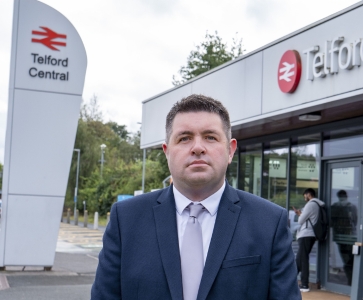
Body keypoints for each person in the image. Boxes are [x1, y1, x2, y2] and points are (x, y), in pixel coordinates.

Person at [91, 94, 301, 300]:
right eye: (184, 138)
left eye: (210, 137)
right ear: (167, 152)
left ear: (230, 150)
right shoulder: (126, 220)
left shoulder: (269, 223)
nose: (198, 148)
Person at [293, 188, 325, 292]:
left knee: (303, 259)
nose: (304, 197)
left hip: (306, 234)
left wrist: (300, 215)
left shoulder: (310, 204)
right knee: (299, 259)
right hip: (311, 234)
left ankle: (305, 285)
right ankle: (291, 280)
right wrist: (301, 214)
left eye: (304, 195)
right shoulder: (317, 204)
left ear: (308, 194)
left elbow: (300, 221)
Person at [331, 190, 357, 285]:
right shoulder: (352, 207)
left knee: (346, 259)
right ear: (346, 196)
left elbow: (331, 222)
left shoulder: (334, 207)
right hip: (351, 236)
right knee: (352, 259)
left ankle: (350, 280)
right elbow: (355, 220)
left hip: (340, 237)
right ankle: (352, 280)